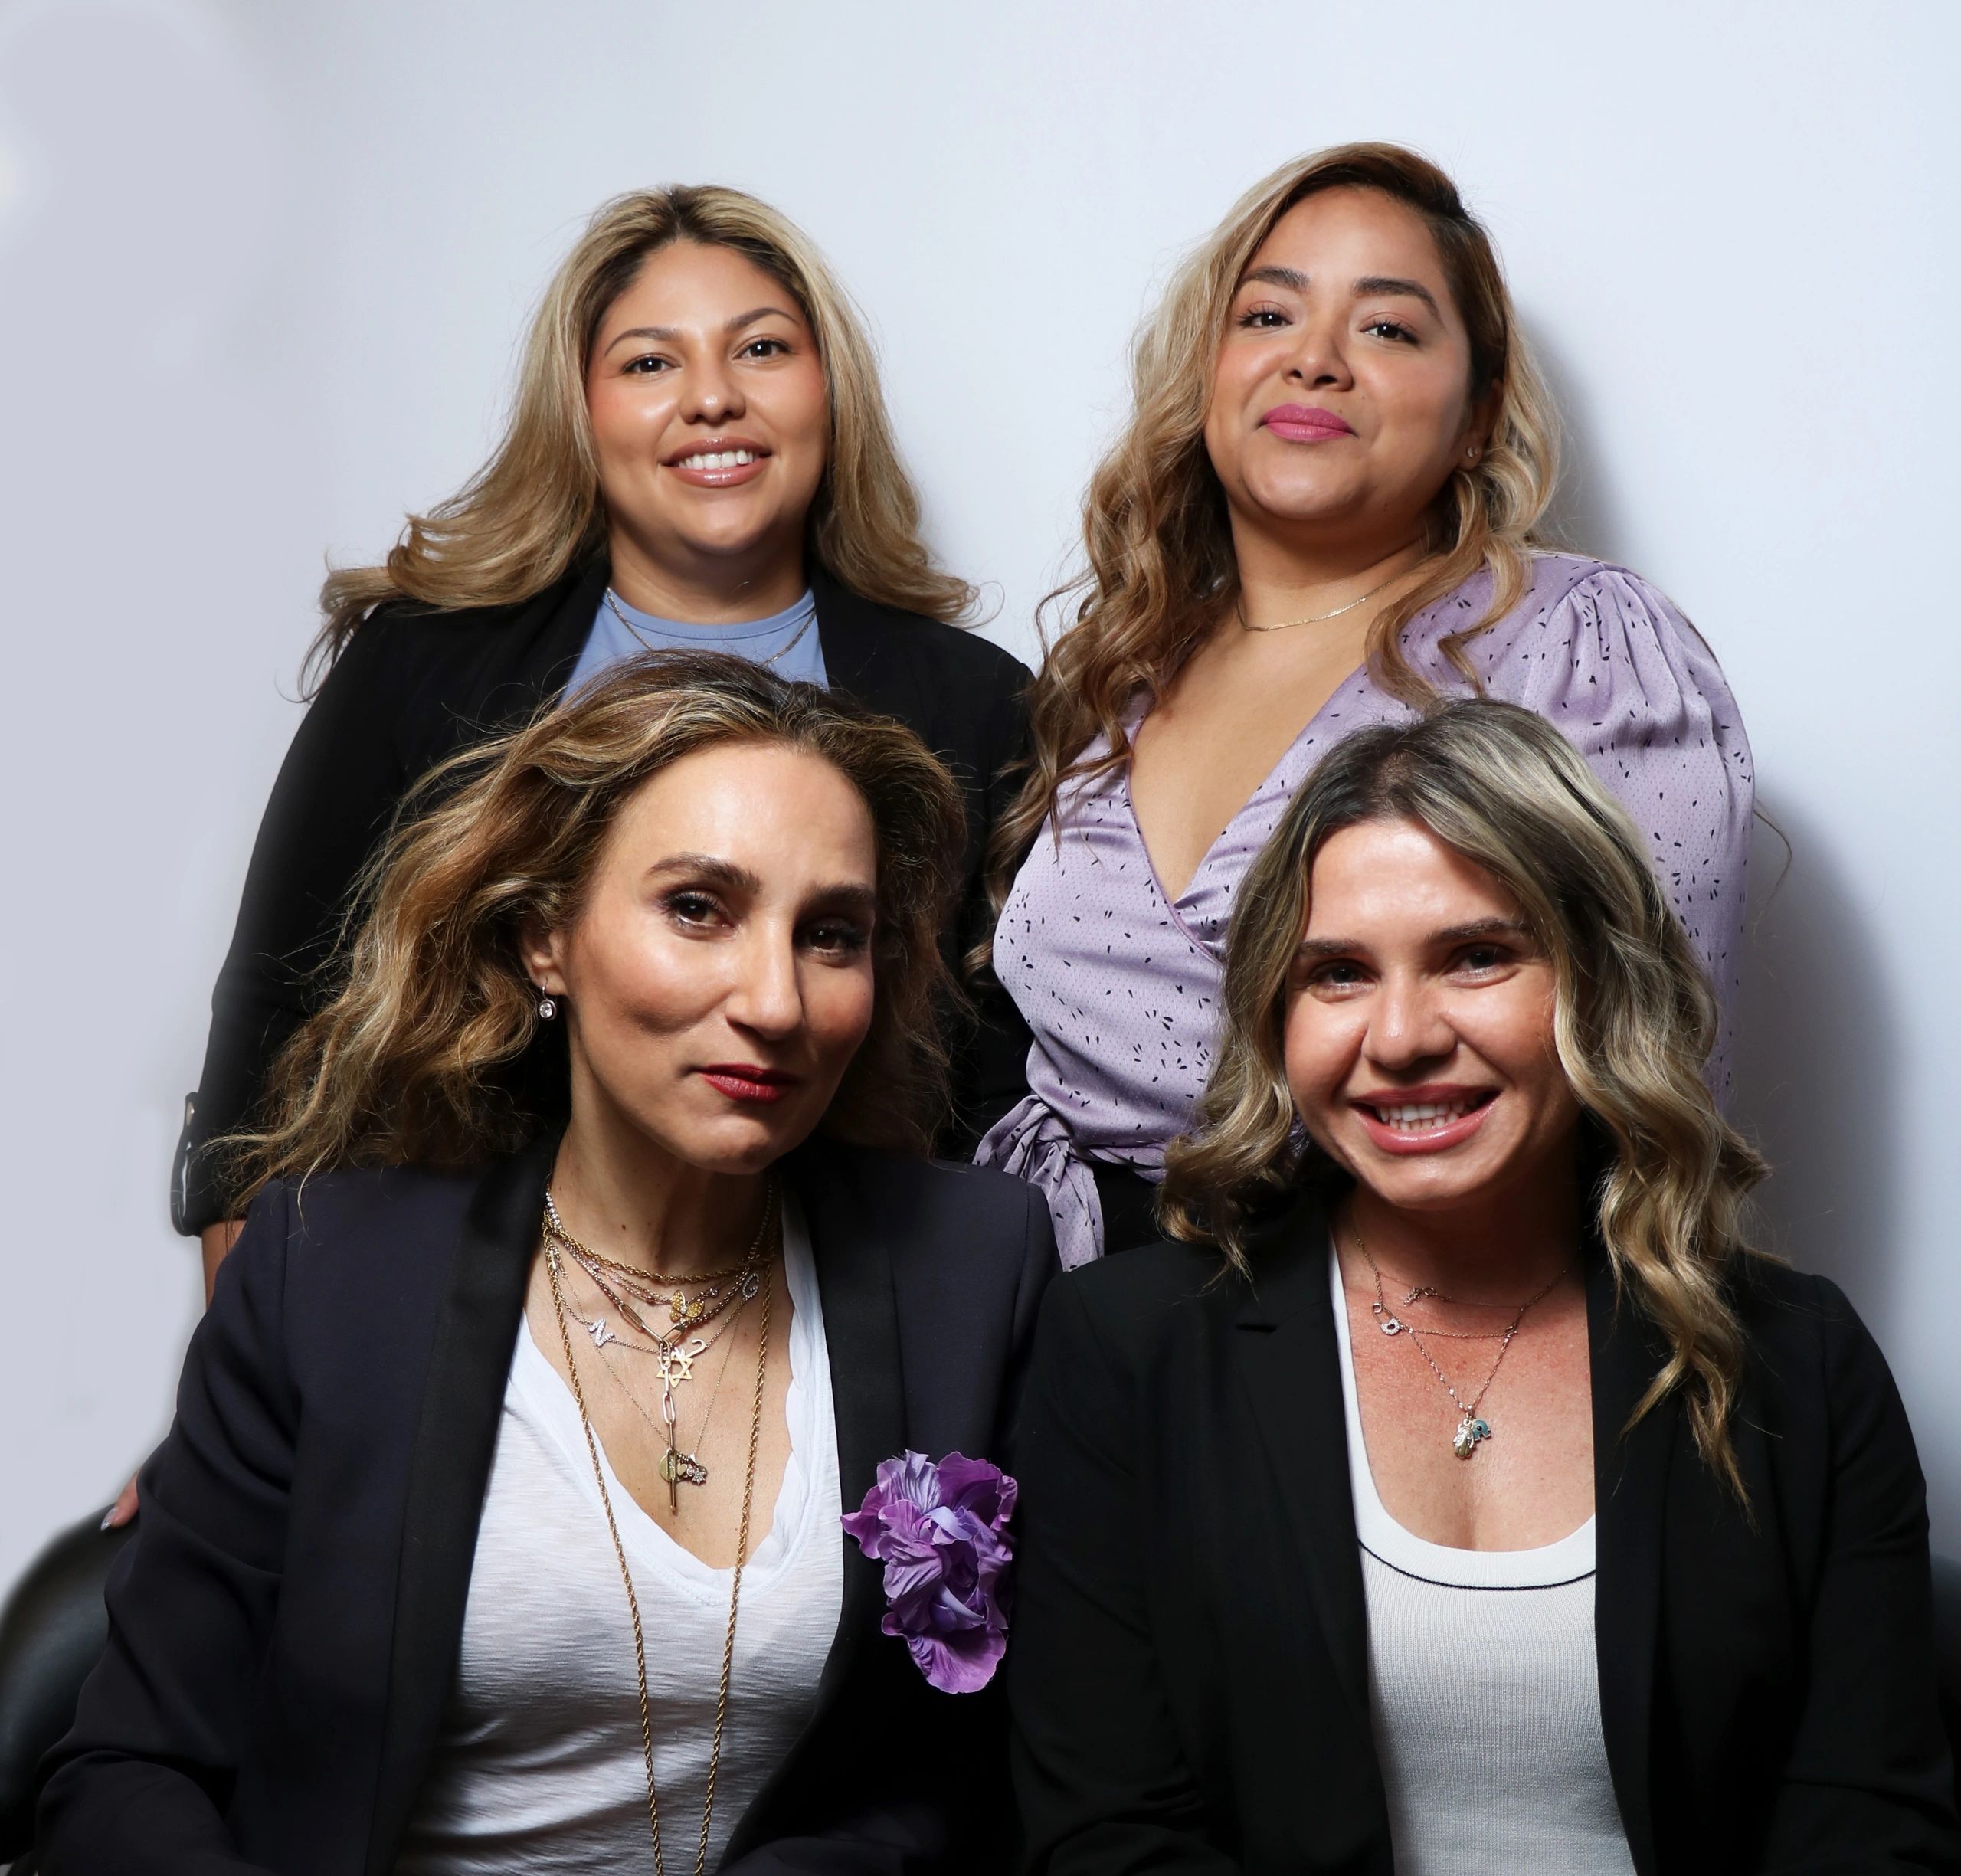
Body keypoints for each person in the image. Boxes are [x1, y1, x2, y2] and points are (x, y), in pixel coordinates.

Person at [43, 655, 1054, 1874]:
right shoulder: (328, 1274)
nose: (777, 1001)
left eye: (831, 934)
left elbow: (973, 1766)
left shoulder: (971, 1268)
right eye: (699, 908)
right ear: (545, 938)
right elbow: (129, 1772)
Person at [1007, 699, 1956, 1875]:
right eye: (1338, 973)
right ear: (1275, 1014)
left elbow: (1869, 1833)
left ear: (1598, 978)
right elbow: (1106, 1835)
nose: (1402, 1035)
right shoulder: (1127, 1348)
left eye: (1476, 956)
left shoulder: (1800, 1361)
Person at [174, 180, 1030, 1292]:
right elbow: (280, 992)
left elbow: (995, 1080)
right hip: (446, 1284)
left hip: (834, 1295)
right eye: (649, 362)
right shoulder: (421, 666)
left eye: (762, 349)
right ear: (581, 410)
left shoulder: (979, 706)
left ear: (830, 391)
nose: (712, 398)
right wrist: (248, 1294)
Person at [975, 142, 1752, 1266]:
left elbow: (1646, 1090)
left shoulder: (1577, 643)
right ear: (1207, 374)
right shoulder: (1122, 668)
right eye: (1267, 316)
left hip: (1392, 1315)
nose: (1315, 361)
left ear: (1480, 412)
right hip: (1064, 1303)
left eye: (1387, 328)